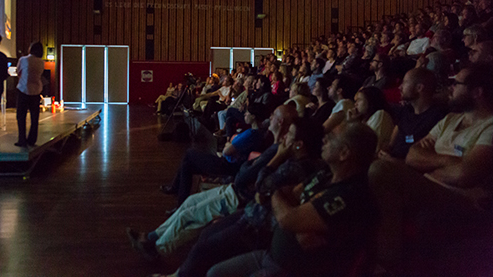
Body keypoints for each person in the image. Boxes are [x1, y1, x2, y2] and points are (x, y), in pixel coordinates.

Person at [127, 105, 300, 261]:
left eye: (274, 113)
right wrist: (249, 165)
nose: (271, 115)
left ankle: (157, 249)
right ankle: (151, 237)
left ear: (280, 121)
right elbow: (247, 169)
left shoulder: (276, 151)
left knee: (190, 215)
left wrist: (249, 165)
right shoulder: (272, 145)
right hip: (233, 188)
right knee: (190, 202)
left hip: (238, 197)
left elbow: (244, 175)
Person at [207, 122, 379, 277]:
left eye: (332, 137)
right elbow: (292, 195)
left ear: (344, 153)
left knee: (207, 249)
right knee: (214, 273)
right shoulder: (326, 174)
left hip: (290, 269)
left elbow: (286, 219)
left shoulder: (350, 195)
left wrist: (275, 194)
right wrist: (295, 214)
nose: (325, 139)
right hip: (271, 254)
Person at [369, 64, 493, 273]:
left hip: (463, 198)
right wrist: (451, 161)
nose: (450, 88)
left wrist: (431, 161)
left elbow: (465, 175)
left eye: (457, 83)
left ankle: (387, 264)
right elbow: (412, 155)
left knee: (380, 170)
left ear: (477, 91)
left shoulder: (489, 127)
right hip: (428, 184)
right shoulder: (450, 119)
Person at [160, 103, 267, 205]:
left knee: (189, 153)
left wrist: (229, 144)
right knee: (187, 165)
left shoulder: (250, 134)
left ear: (253, 117)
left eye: (247, 113)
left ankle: (175, 190)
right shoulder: (257, 133)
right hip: (231, 164)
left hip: (226, 165)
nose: (244, 114)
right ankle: (179, 201)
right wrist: (230, 144)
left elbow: (226, 151)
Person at [379, 68, 447, 160]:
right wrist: (386, 150)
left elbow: (425, 159)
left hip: (407, 168)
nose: (400, 87)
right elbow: (391, 144)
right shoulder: (406, 111)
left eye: (405, 82)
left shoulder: (437, 117)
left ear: (419, 88)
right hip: (391, 161)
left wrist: (393, 162)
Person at [15, 42, 44, 148]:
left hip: (23, 89)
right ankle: (32, 139)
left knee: (21, 116)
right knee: (34, 117)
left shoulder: (23, 59)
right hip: (36, 90)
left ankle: (22, 140)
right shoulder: (41, 62)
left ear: (31, 48)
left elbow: (18, 72)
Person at [348, 86, 394, 152]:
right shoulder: (364, 120)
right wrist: (352, 121)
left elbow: (368, 146)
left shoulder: (380, 115)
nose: (355, 104)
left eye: (359, 100)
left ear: (370, 101)